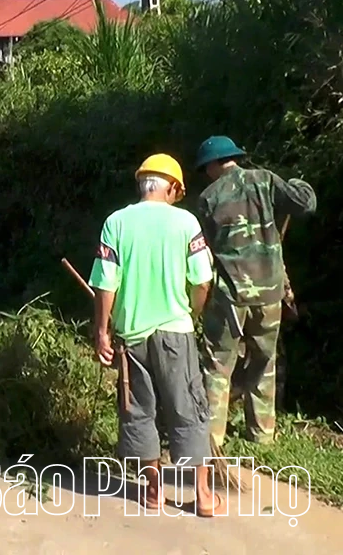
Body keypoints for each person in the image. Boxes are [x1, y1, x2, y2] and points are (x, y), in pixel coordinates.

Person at [88, 153, 219, 517]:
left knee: (138, 411)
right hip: (176, 333)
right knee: (188, 408)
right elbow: (202, 281)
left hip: (131, 337)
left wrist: (102, 331)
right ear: (172, 187)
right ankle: (203, 495)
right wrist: (192, 313)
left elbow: (104, 283)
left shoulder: (116, 222)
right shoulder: (186, 222)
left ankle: (152, 490)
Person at [194, 136, 317, 447]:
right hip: (269, 293)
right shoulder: (265, 180)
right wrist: (297, 182)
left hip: (230, 295)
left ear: (213, 163)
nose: (206, 173)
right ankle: (262, 435)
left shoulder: (208, 197)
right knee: (264, 362)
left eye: (205, 167)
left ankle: (212, 441)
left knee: (217, 365)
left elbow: (205, 248)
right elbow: (306, 203)